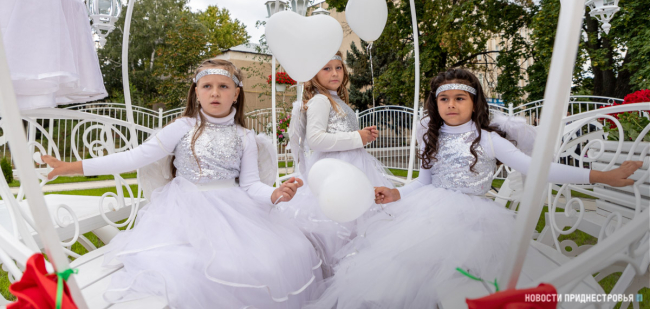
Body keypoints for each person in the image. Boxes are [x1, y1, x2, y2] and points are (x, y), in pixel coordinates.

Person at [307, 67, 643, 308]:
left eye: (459, 98)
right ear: (435, 104)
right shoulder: (432, 136)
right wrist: (396, 193)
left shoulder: (489, 139)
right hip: (424, 212)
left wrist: (601, 176)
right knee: (400, 270)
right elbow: (424, 181)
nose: (451, 105)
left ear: (474, 103)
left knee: (452, 272)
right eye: (444, 99)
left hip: (471, 219)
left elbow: (537, 168)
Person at [43, 59, 323, 309]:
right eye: (207, 86)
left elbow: (250, 185)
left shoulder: (245, 137)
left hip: (232, 211)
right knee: (191, 267)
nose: (215, 93)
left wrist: (274, 193)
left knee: (275, 259)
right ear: (196, 92)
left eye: (223, 86)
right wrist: (72, 167)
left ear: (236, 94)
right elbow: (133, 157)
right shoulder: (183, 127)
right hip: (183, 212)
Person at [275, 52, 396, 276]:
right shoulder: (320, 100)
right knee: (341, 225)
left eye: (338, 68)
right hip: (337, 170)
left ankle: (351, 272)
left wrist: (363, 135)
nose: (334, 73)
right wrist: (357, 137)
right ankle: (340, 273)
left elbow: (339, 131)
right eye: (327, 68)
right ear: (314, 74)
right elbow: (316, 140)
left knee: (356, 220)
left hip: (353, 166)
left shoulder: (336, 100)